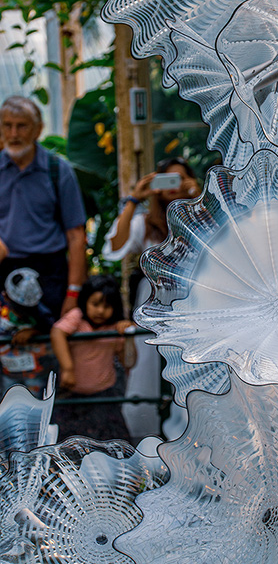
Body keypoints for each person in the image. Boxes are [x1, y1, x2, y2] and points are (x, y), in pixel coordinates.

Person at [102, 156, 200, 438]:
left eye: (180, 179)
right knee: (147, 369)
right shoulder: (145, 224)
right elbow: (114, 248)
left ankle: (190, 432)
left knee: (189, 367)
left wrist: (198, 196)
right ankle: (148, 438)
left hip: (192, 304)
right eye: (167, 180)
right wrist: (134, 198)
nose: (173, 187)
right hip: (153, 305)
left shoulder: (200, 218)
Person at [0, 96, 86, 317]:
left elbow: (76, 235)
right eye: (7, 125)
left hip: (49, 274)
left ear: (38, 130)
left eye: (22, 126)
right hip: (4, 271)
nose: (13, 134)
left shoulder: (58, 170)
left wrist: (73, 293)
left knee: (49, 336)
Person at [50, 274, 134, 441]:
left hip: (103, 395)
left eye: (107, 306)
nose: (100, 311)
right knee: (68, 443)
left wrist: (129, 337)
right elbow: (57, 332)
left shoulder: (115, 327)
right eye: (95, 304)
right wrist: (68, 369)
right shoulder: (77, 317)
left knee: (112, 443)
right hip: (72, 395)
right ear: (85, 301)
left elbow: (129, 362)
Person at [0, 267, 55, 397]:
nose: (22, 312)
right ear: (6, 296)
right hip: (8, 372)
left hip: (34, 374)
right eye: (19, 308)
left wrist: (33, 332)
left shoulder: (42, 313)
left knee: (33, 401)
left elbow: (51, 328)